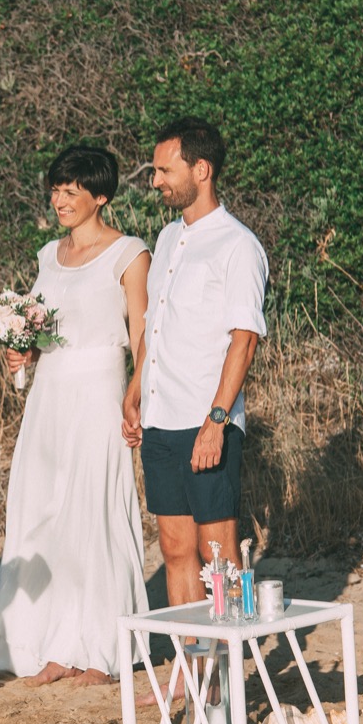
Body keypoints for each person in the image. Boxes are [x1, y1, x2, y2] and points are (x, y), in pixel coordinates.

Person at [0, 145, 150, 686]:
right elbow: (45, 328)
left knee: (90, 513)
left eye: (73, 190)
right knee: (43, 510)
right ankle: (52, 644)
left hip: (98, 390)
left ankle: (96, 650)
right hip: (48, 395)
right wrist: (22, 351)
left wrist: (138, 392)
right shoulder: (49, 255)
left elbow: (142, 335)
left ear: (101, 196)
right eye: (56, 189)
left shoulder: (130, 253)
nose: (61, 200)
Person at [123, 117, 268, 616]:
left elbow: (244, 340)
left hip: (207, 421)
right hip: (161, 421)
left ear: (201, 169)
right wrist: (135, 388)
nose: (156, 180)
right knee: (175, 550)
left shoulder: (238, 245)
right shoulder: (166, 239)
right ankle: (190, 675)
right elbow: (154, 324)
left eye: (165, 170)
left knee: (220, 556)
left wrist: (217, 422)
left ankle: (226, 678)